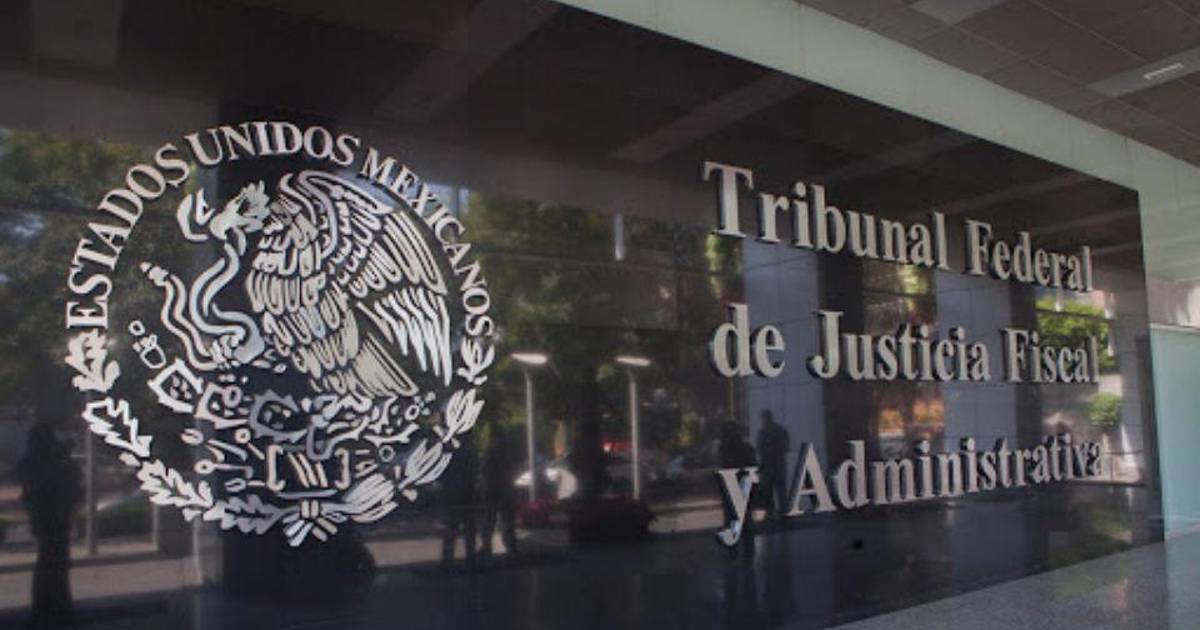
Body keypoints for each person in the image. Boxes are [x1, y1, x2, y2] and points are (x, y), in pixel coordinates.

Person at [18, 424, 82, 625]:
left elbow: (73, 484)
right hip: (48, 521)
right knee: (50, 564)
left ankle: (57, 608)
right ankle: (48, 609)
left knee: (56, 564)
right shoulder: (34, 464)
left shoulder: (47, 462)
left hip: (56, 520)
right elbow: (36, 489)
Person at [718, 421, 757, 557]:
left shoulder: (724, 448)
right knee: (745, 519)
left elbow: (723, 465)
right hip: (742, 485)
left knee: (730, 518)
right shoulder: (746, 448)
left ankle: (733, 550)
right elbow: (753, 466)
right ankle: (748, 549)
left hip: (730, 485)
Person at [440, 433, 478, 572]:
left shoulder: (451, 453)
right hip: (465, 494)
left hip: (454, 495)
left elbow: (443, 473)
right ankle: (470, 558)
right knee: (467, 528)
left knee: (453, 528)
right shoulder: (469, 453)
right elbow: (474, 470)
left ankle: (448, 559)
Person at [480, 425, 519, 559]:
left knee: (490, 519)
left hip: (493, 488)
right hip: (504, 487)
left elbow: (485, 469)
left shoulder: (490, 451)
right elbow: (512, 468)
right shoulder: (507, 451)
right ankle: (510, 546)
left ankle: (487, 546)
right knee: (506, 519)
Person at [755, 410, 790, 521]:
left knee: (770, 492)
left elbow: (759, 449)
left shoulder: (763, 432)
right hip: (777, 466)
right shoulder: (780, 431)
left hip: (770, 466)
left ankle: (772, 515)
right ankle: (782, 513)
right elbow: (786, 447)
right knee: (779, 492)